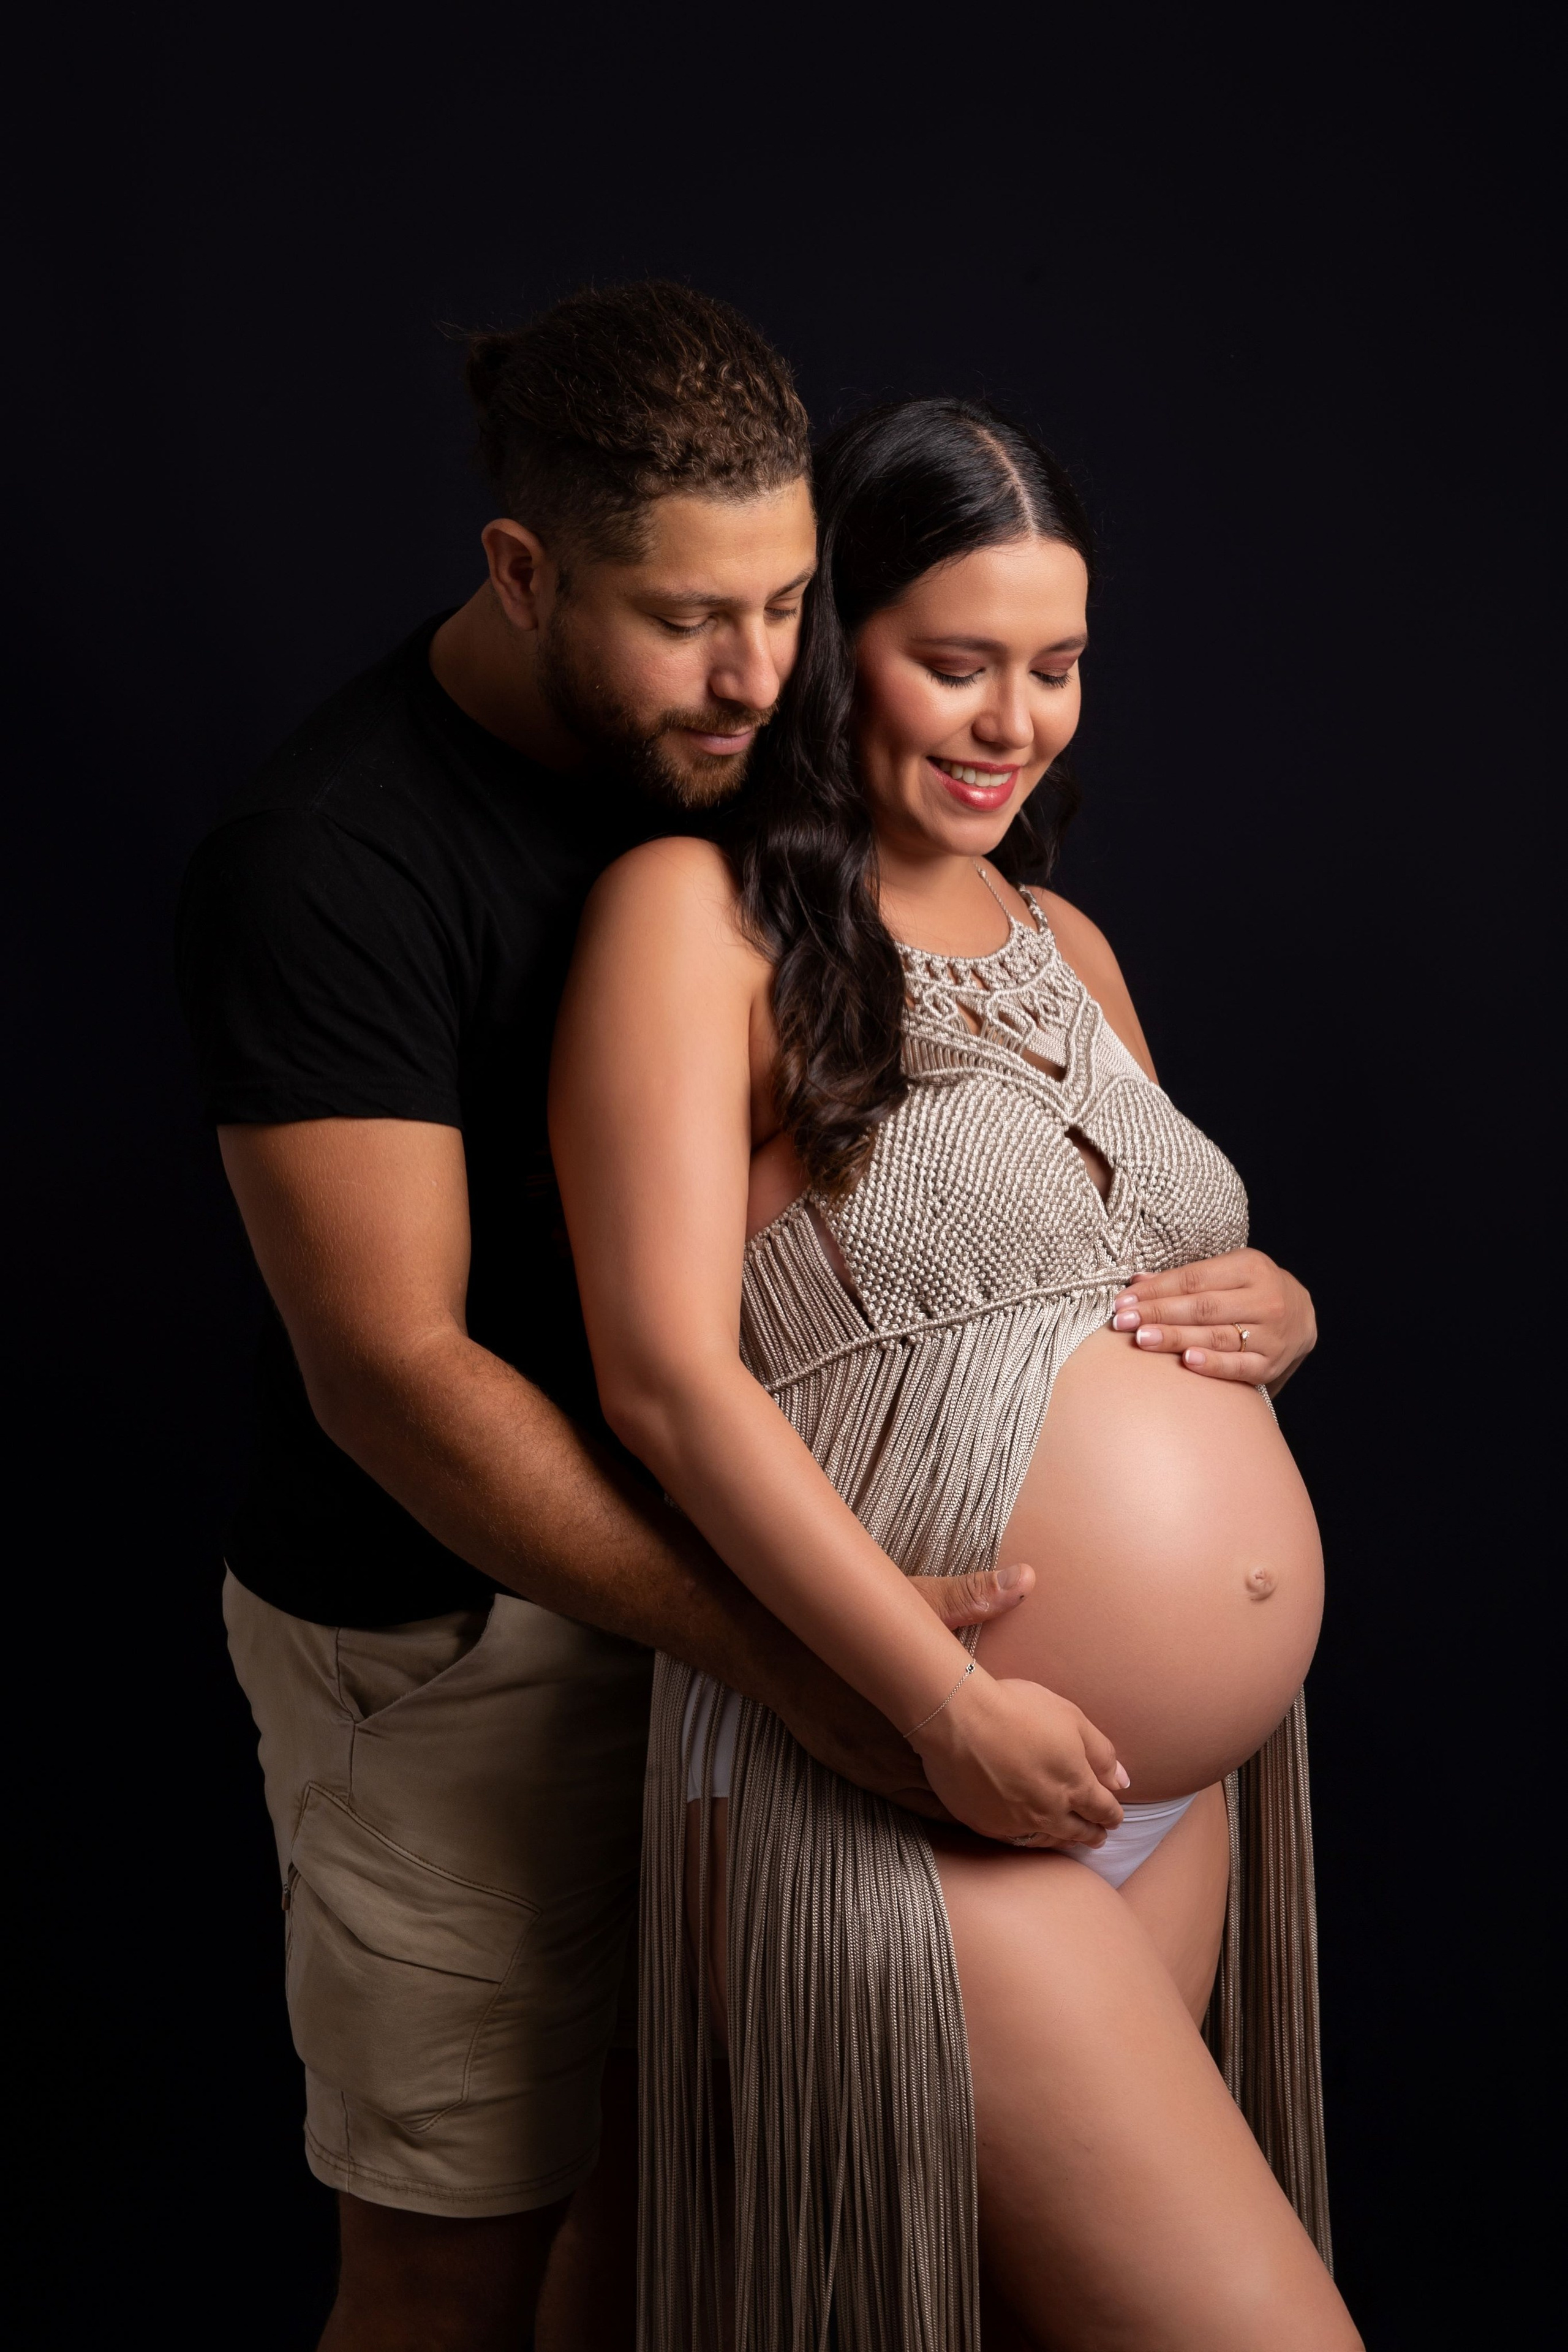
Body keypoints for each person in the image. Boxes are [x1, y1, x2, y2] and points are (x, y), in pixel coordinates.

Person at [175, 287, 1027, 2352]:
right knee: (458, 2255)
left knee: (665, 2215)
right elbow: (395, 1379)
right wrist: (817, 1664)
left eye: (790, 603)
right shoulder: (335, 860)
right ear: (522, 568)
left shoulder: (752, 744)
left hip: (756, 1590)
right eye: (683, 621)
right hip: (459, 1634)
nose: (756, 681)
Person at [551, 398, 1363, 2347]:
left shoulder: (1066, 941)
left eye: (1059, 667)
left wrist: (1287, 1312)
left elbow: (1143, 1268)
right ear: (839, 652)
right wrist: (936, 1710)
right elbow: (664, 1379)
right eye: (958, 663)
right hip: (912, 1784)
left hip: (1173, 1798)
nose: (1016, 722)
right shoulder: (697, 921)